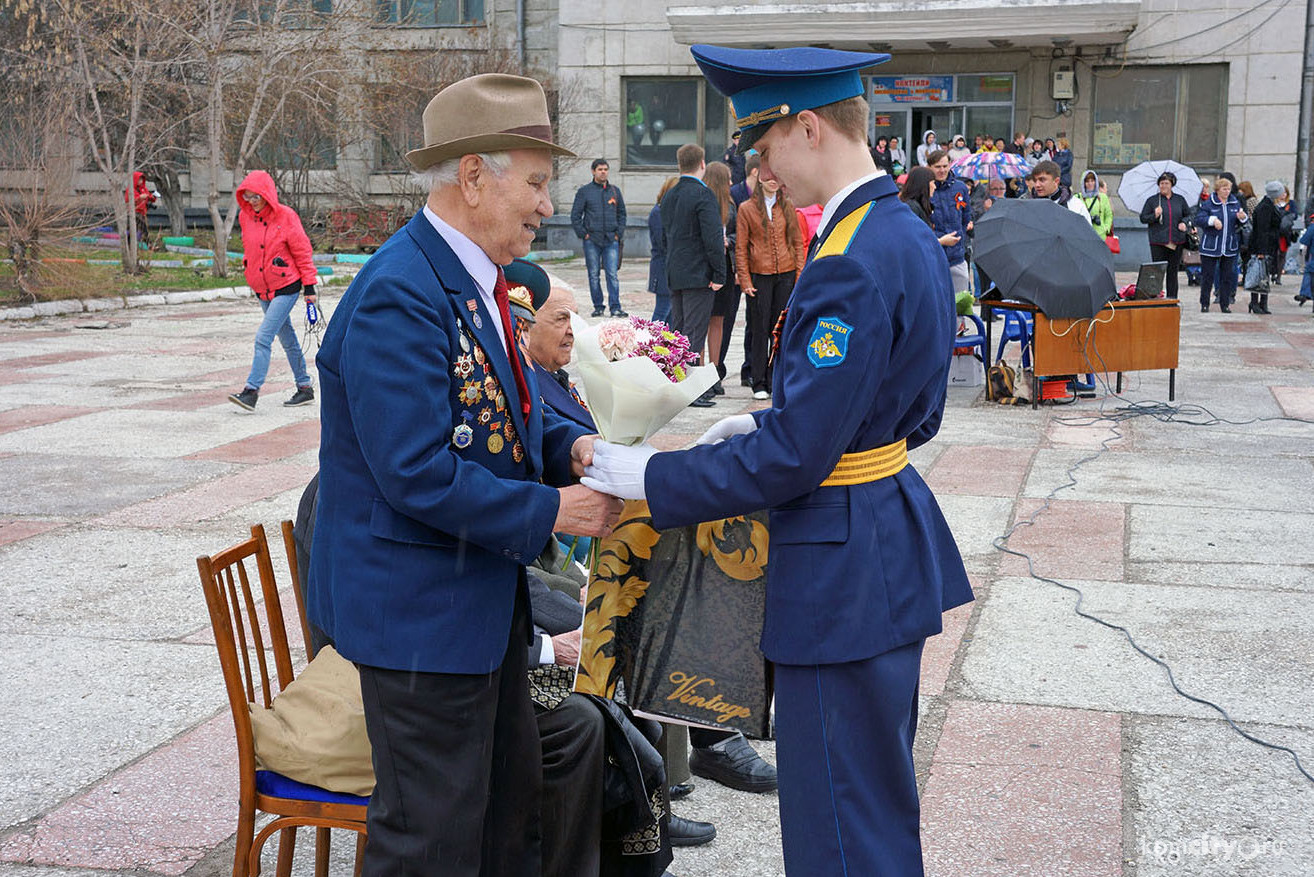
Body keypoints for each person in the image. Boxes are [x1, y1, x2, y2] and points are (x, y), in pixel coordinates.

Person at [583, 44, 972, 877]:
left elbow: (797, 459)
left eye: (763, 152)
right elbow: (915, 414)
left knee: (837, 824)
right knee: (873, 805)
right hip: (883, 545)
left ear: (807, 127)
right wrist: (779, 423)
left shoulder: (847, 260)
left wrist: (649, 476)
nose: (760, 172)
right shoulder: (904, 234)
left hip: (837, 575)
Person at [306, 72, 624, 876]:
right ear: (474, 176)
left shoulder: (473, 277)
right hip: (417, 618)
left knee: (503, 825)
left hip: (471, 607)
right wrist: (555, 508)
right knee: (433, 844)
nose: (548, 205)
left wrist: (568, 448)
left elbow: (501, 411)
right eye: (538, 182)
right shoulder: (399, 293)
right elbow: (416, 471)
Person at [525, 282, 770, 841]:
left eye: (575, 317)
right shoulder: (522, 386)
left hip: (583, 530)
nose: (572, 329)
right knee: (650, 595)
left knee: (678, 570)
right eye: (557, 318)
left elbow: (574, 443)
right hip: (565, 538)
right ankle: (679, 765)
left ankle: (701, 739)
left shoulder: (559, 381)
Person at [226, 170, 319, 411]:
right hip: (262, 288)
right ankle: (305, 387)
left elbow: (302, 251)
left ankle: (251, 391)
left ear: (267, 195)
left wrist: (309, 287)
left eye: (256, 196)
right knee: (287, 338)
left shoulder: (286, 216)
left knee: (263, 337)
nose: (252, 201)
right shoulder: (246, 218)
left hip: (286, 286)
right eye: (247, 197)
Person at [661, 143, 726, 408]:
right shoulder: (703, 194)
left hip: (675, 272)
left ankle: (677, 384)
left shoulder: (670, 194)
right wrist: (719, 272)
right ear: (702, 164)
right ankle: (690, 390)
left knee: (679, 332)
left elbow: (667, 235)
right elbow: (712, 237)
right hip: (699, 274)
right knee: (693, 334)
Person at [736, 162, 806, 399]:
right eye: (768, 177)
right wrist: (744, 278)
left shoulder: (787, 205)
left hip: (785, 274)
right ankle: (759, 381)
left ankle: (776, 378)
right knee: (759, 329)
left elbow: (798, 243)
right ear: (759, 179)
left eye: (776, 176)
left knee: (781, 330)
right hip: (760, 275)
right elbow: (741, 247)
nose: (772, 180)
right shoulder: (747, 208)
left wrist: (798, 275)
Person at [571, 158, 628, 318]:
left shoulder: (614, 191)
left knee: (612, 274)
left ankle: (615, 307)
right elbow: (575, 215)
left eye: (605, 169)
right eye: (600, 169)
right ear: (593, 171)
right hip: (592, 240)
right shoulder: (585, 192)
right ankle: (598, 306)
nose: (603, 172)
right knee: (593, 275)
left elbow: (622, 213)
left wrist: (619, 233)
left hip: (611, 239)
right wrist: (584, 234)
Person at [703, 160, 739, 395]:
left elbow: (737, 232)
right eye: (727, 179)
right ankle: (698, 374)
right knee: (700, 323)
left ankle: (715, 370)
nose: (731, 183)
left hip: (725, 266)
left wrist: (730, 241)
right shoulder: (703, 203)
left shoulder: (731, 205)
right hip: (704, 268)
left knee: (719, 320)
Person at [1196, 174, 1247, 313]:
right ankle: (1204, 303)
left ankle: (1225, 304)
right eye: (1224, 189)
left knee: (1227, 276)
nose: (1227, 191)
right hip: (1211, 245)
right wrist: (1212, 221)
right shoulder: (1208, 203)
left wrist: (1242, 218)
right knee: (1208, 276)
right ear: (1218, 190)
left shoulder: (1234, 202)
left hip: (1229, 245)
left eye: (1229, 189)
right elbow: (1199, 219)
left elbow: (1242, 219)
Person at [1138, 171, 1190, 300]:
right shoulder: (1152, 200)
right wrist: (1154, 215)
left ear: (1172, 185)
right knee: (1157, 271)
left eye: (1166, 183)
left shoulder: (1179, 200)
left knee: (1173, 272)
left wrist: (1184, 223)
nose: (1163, 186)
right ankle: (1157, 298)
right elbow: (1143, 218)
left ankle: (1172, 298)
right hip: (1158, 241)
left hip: (1176, 241)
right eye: (1161, 183)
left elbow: (1189, 215)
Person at [927, 149, 973, 294]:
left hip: (957, 258)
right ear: (930, 167)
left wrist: (960, 240)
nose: (942, 170)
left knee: (961, 306)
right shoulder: (927, 189)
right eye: (938, 167)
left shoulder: (960, 188)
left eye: (945, 166)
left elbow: (966, 217)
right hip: (934, 258)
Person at [1245, 180, 1284, 314]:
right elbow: (1262, 230)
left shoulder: (1270, 205)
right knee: (1258, 274)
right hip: (1261, 246)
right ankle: (1255, 302)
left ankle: (1262, 303)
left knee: (1264, 275)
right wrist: (1261, 251)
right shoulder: (1265, 207)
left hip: (1268, 246)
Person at [648, 176, 678, 323]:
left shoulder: (670, 211)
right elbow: (663, 242)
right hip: (663, 269)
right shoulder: (658, 212)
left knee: (671, 316)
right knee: (662, 312)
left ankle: (667, 345)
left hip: (673, 268)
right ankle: (650, 343)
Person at [1028, 160, 1091, 224]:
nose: (1037, 185)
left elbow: (1087, 232)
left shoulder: (1075, 206)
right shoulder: (1027, 205)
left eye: (1042, 180)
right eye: (1035, 181)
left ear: (1056, 181)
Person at [1077, 170, 1113, 240]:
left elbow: (1109, 215)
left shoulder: (1103, 197)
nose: (1090, 183)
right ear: (1083, 183)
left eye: (1092, 181)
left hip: (1100, 236)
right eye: (1087, 181)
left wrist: (1106, 228)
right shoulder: (1077, 197)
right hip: (1083, 235)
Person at [124, 171, 156, 250]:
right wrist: (140, 198)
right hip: (134, 212)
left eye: (142, 179)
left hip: (142, 212)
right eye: (139, 180)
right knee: (142, 228)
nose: (141, 181)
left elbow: (150, 197)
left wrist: (153, 197)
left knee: (133, 230)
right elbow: (129, 201)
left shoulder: (143, 189)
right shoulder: (130, 190)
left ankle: (128, 246)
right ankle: (149, 245)